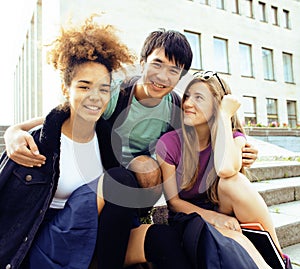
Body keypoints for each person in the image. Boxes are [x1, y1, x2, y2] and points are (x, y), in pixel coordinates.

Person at [0, 17, 193, 269]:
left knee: (164, 239)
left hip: (104, 212)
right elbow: (60, 115)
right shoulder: (40, 143)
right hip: (53, 240)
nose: (96, 96)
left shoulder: (110, 134)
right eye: (84, 86)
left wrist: (239, 144)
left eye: (102, 89)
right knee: (119, 180)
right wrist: (15, 130)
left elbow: (199, 139)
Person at [3, 29, 258, 215]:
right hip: (102, 163)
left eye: (174, 70)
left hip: (142, 175)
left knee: (147, 167)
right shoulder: (115, 92)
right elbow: (67, 112)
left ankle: (139, 215)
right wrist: (15, 131)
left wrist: (241, 146)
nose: (162, 77)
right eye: (157, 64)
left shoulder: (177, 106)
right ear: (142, 62)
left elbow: (206, 132)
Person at [155, 71, 284, 268]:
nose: (187, 103)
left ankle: (279, 259)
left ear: (216, 106)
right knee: (236, 241)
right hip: (190, 218)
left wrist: (225, 115)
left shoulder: (233, 137)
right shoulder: (169, 143)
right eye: (187, 96)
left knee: (233, 181)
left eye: (199, 98)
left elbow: (225, 170)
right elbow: (173, 202)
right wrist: (215, 218)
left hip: (223, 207)